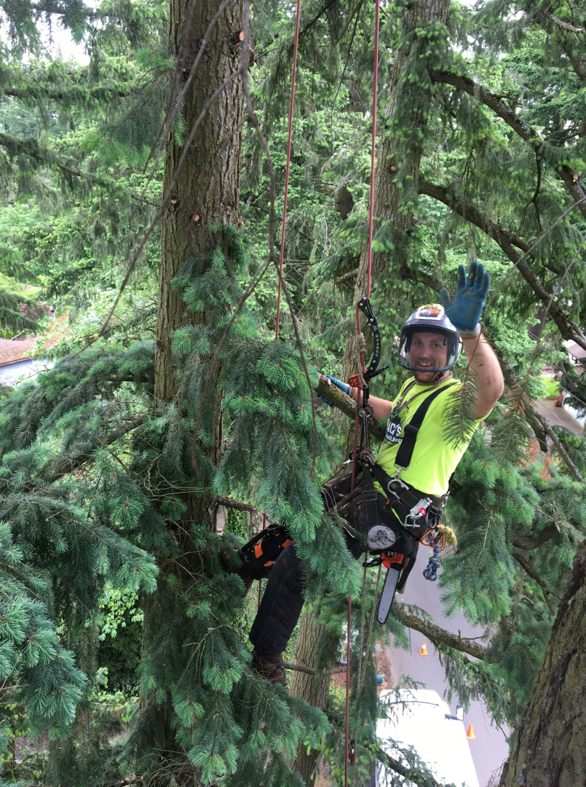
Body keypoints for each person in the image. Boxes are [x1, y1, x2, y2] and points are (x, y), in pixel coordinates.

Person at [247, 262, 504, 685]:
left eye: (436, 345)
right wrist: (351, 394)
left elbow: (490, 389)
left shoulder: (459, 401)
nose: (424, 352)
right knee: (296, 524)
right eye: (417, 343)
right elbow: (398, 415)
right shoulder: (414, 387)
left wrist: (472, 331)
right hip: (369, 488)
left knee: (297, 566)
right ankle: (244, 567)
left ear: (451, 351)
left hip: (392, 511)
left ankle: (267, 664)